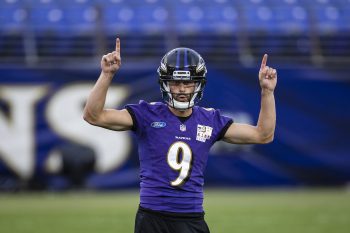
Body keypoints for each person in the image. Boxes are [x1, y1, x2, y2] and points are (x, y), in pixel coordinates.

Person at [83, 38, 277, 233]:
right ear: (164, 83)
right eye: (175, 83)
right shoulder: (146, 114)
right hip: (152, 218)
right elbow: (93, 115)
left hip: (191, 218)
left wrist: (267, 92)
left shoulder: (210, 120)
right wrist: (106, 75)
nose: (182, 89)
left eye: (188, 83)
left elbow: (263, 135)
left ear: (198, 84)